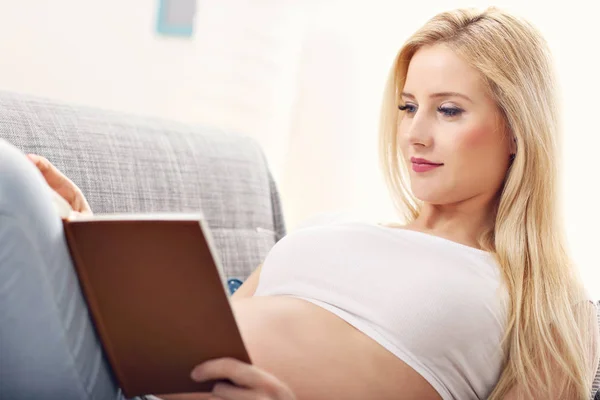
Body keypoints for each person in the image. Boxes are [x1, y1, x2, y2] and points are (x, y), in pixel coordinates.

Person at [1, 6, 598, 400]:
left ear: (519, 129)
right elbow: (209, 326)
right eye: (408, 106)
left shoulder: (547, 303)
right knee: (26, 192)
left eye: (448, 110)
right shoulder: (333, 226)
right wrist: (89, 241)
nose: (416, 133)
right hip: (126, 377)